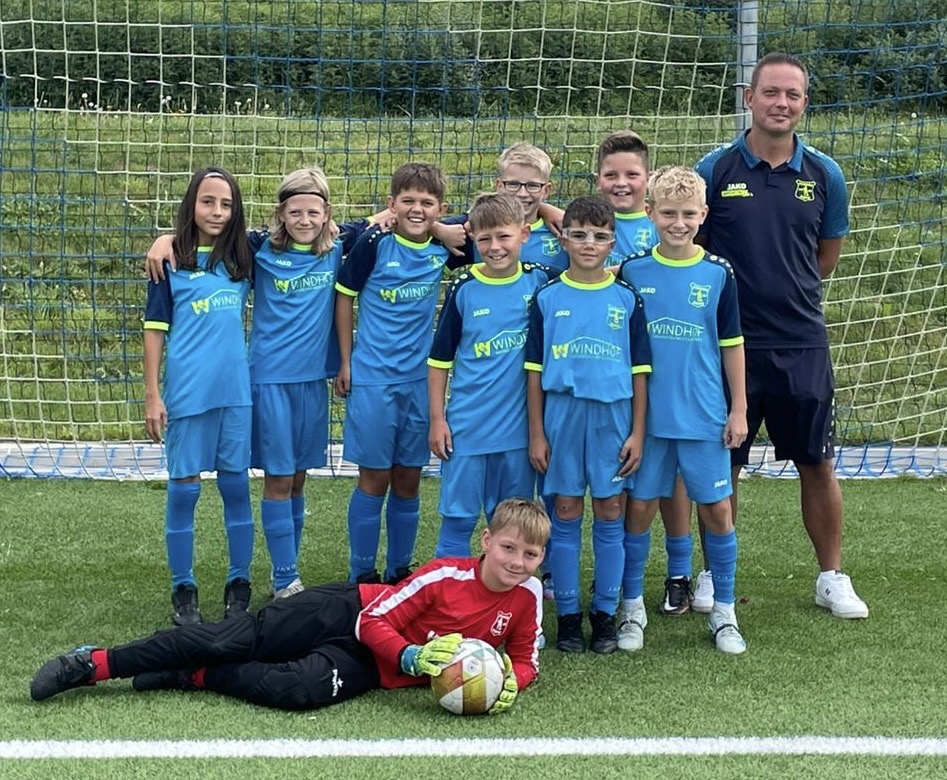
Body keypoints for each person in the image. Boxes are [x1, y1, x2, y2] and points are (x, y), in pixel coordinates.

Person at [29, 499, 549, 714]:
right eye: (508, 548)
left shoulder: (526, 599)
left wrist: (508, 682)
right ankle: (93, 663)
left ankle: (189, 677)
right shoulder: (444, 574)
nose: (518, 562)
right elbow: (374, 620)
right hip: (350, 612)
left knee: (296, 690)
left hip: (372, 664)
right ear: (486, 541)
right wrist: (412, 657)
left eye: (531, 553)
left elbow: (525, 660)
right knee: (228, 639)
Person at [694, 52, 868, 619]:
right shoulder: (715, 170)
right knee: (726, 464)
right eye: (771, 93)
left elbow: (824, 259)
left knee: (816, 461)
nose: (781, 103)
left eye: (792, 95)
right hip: (727, 345)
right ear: (749, 98)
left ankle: (831, 576)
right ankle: (711, 575)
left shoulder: (825, 174)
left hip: (801, 342)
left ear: (804, 103)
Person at [145, 168, 368, 603]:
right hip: (263, 384)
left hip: (312, 384)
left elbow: (394, 217)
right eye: (294, 211)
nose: (304, 220)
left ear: (327, 215)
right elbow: (195, 244)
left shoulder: (339, 246)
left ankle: (282, 573)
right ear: (280, 215)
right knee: (275, 480)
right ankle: (281, 580)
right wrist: (164, 239)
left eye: (314, 211)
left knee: (299, 480)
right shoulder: (258, 249)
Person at [618, 166, 748, 655]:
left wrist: (739, 409)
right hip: (647, 420)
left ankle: (724, 612)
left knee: (716, 509)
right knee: (640, 510)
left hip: (704, 415)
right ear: (650, 214)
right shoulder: (632, 271)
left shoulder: (718, 272)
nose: (678, 222)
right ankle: (632, 606)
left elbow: (732, 344)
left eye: (687, 214)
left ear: (703, 215)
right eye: (668, 213)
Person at [334, 162, 473, 586]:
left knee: (409, 478)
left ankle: (399, 569)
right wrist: (345, 361)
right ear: (391, 204)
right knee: (374, 476)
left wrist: (442, 230)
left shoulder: (445, 248)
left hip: (419, 381)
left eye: (427, 203)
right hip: (373, 379)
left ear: (441, 208)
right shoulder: (373, 243)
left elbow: (499, 224)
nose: (417, 209)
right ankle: (362, 572)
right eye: (407, 201)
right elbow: (344, 298)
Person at [524, 195, 651, 654]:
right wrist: (537, 432)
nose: (588, 243)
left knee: (611, 511)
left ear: (612, 242)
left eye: (599, 236)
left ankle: (604, 614)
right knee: (565, 512)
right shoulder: (547, 296)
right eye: (578, 234)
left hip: (613, 418)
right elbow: (534, 372)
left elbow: (640, 371)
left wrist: (638, 431)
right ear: (564, 238)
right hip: (562, 417)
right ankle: (570, 618)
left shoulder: (626, 298)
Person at [143, 166, 255, 626]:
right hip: (187, 395)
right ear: (192, 204)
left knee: (235, 487)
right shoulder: (169, 262)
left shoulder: (246, 255)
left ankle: (239, 582)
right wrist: (152, 394)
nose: (217, 211)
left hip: (235, 395)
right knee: (184, 491)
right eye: (208, 201)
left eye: (227, 204)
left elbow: (300, 225)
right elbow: (154, 330)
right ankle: (183, 588)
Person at [598, 130, 695, 617]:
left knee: (671, 479)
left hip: (671, 379)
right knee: (621, 480)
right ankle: (616, 577)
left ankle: (679, 572)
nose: (622, 183)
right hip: (612, 381)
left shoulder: (664, 228)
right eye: (611, 174)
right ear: (598, 180)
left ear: (648, 182)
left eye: (632, 174)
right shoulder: (589, 226)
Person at [428, 192, 558, 557]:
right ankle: (448, 602)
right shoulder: (464, 288)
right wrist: (438, 419)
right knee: (458, 519)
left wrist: (549, 210)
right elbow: (439, 361)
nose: (495, 247)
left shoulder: (542, 283)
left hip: (519, 434)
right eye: (484, 239)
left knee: (513, 527)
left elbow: (591, 279)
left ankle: (504, 606)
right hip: (468, 428)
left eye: (503, 237)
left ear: (524, 235)